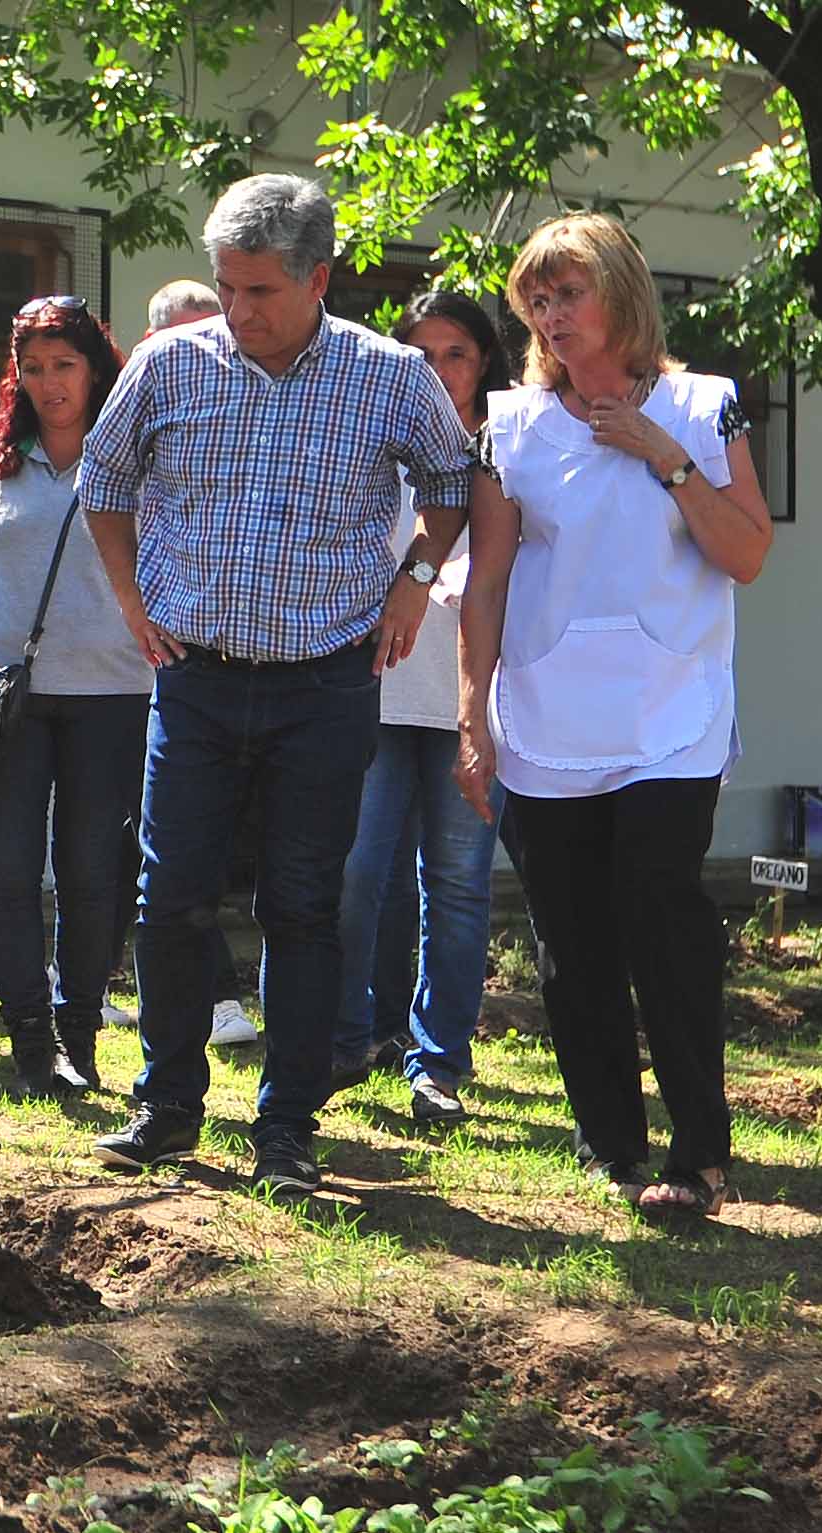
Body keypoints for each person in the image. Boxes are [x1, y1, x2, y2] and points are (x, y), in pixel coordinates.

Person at [76, 175, 472, 1199]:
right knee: (170, 900)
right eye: (226, 288)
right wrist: (129, 595)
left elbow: (452, 480)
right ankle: (167, 1106)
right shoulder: (170, 365)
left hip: (328, 682)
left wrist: (416, 584)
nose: (239, 311)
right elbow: (104, 480)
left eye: (259, 291)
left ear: (319, 279)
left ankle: (287, 1130)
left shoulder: (389, 376)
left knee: (304, 904)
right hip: (196, 678)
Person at [460, 212, 771, 1220]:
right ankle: (611, 1146)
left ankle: (701, 1154)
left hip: (670, 711)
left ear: (621, 294)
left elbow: (747, 553)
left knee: (661, 916)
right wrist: (475, 717)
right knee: (574, 940)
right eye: (535, 301)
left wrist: (663, 456)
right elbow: (490, 582)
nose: (549, 318)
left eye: (567, 295)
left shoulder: (703, 406)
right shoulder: (508, 425)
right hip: (548, 716)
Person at [0, 295, 154, 1097]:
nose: (50, 382)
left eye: (65, 365)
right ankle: (29, 1038)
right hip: (2, 699)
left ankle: (78, 1030)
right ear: (15, 376)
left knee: (94, 873)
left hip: (114, 693)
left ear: (95, 368)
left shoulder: (137, 457)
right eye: (34, 367)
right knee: (7, 871)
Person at [330, 289, 511, 1124]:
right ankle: (344, 1036)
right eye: (424, 354)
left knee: (457, 884)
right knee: (354, 875)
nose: (439, 371)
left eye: (457, 354)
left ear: (484, 362)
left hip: (471, 702)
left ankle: (437, 1059)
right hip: (369, 692)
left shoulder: (510, 445)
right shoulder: (370, 438)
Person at [105, 276, 258, 1052]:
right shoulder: (144, 409)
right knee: (152, 854)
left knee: (213, 849)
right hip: (124, 671)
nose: (220, 341)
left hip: (205, 671)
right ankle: (154, 999)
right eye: (194, 331)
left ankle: (221, 999)